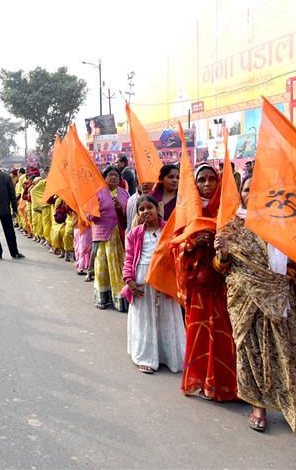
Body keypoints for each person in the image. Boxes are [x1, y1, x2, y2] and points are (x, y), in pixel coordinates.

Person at [214, 175, 296, 434]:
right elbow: (222, 269)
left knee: (287, 356)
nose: (251, 194)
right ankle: (258, 407)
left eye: (257, 190)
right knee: (253, 354)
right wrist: (223, 255)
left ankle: (294, 406)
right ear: (241, 194)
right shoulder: (231, 228)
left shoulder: (281, 224)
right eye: (247, 189)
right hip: (245, 302)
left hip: (280, 301)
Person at [175, 163, 236, 402]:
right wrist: (192, 243)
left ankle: (223, 384)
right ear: (195, 184)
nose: (208, 184)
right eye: (202, 180)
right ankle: (201, 381)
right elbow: (174, 245)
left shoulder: (228, 210)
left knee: (224, 337)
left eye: (212, 179)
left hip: (223, 284)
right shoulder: (187, 211)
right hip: (198, 286)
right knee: (199, 335)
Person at [122, 195, 185, 374]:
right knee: (145, 318)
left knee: (166, 315)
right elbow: (128, 259)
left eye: (149, 207)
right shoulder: (135, 233)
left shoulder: (169, 230)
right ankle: (146, 357)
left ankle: (170, 356)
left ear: (157, 208)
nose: (145, 211)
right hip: (142, 279)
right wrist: (129, 280)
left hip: (165, 278)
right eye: (141, 209)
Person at [89, 166, 129, 310]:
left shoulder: (124, 194)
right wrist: (95, 209)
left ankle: (119, 299)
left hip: (119, 235)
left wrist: (120, 209)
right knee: (102, 267)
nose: (113, 178)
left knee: (117, 266)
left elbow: (129, 213)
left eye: (116, 176)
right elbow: (89, 216)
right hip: (102, 235)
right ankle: (103, 298)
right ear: (104, 178)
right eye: (110, 175)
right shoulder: (97, 194)